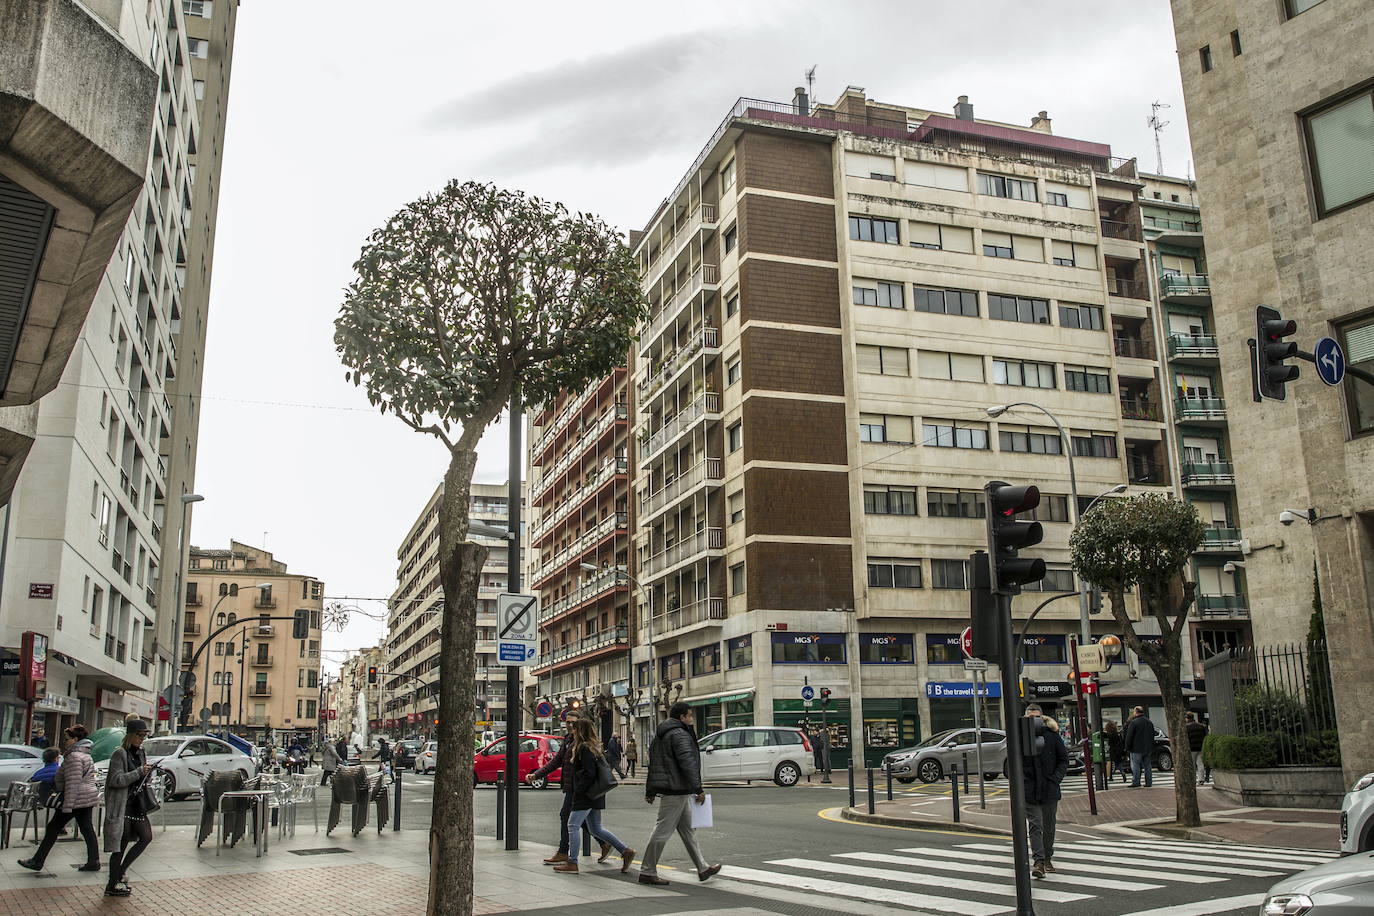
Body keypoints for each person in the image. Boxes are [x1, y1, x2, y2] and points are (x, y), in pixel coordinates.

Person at [639, 702, 721, 886]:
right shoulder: (680, 734)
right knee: (662, 830)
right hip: (676, 789)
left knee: (688, 831)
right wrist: (698, 788)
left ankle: (702, 867)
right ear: (682, 717)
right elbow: (688, 762)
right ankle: (647, 871)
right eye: (690, 715)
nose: (692, 719)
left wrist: (651, 789)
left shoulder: (662, 733)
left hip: (675, 788)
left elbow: (655, 764)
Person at [552, 718, 635, 875]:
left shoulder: (583, 748)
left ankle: (572, 862)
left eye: (575, 729)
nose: (573, 732)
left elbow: (588, 774)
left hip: (586, 794)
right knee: (595, 828)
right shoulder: (593, 747)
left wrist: (579, 791)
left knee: (573, 825)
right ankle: (625, 851)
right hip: (596, 793)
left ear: (580, 731)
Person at [18, 726, 101, 873]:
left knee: (53, 828)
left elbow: (72, 783)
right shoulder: (85, 755)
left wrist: (67, 806)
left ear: (75, 740)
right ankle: (93, 861)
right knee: (86, 828)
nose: (64, 742)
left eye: (67, 739)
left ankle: (37, 861)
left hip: (75, 799)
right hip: (85, 797)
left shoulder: (75, 757)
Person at [103, 718, 156, 897]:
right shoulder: (120, 754)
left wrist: (146, 774)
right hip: (123, 805)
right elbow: (115, 780)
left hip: (137, 804)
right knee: (121, 844)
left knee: (146, 837)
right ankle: (112, 884)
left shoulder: (141, 752)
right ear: (131, 735)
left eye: (144, 736)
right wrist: (139, 772)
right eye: (139, 735)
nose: (142, 739)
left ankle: (120, 872)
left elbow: (140, 777)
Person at [529, 711, 582, 866]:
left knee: (567, 817)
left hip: (578, 787)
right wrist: (536, 775)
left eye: (574, 723)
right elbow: (556, 762)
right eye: (568, 722)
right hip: (571, 786)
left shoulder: (581, 741)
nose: (570, 725)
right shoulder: (568, 740)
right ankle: (618, 848)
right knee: (587, 822)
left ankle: (565, 853)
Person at [1021, 705, 1068, 879]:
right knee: (1036, 825)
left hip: (1049, 789)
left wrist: (1055, 778)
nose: (1033, 721)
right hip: (1030, 790)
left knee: (1049, 828)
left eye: (1037, 717)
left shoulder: (1052, 736)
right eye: (1030, 717)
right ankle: (1039, 861)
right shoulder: (1020, 738)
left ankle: (1047, 857)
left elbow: (1063, 759)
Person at [1123, 706, 1156, 788]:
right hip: (1147, 748)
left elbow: (1129, 736)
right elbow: (1152, 735)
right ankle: (1148, 782)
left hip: (1136, 748)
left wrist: (1127, 747)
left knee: (1136, 765)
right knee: (1147, 766)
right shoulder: (1149, 722)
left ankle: (1136, 781)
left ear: (1136, 712)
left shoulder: (1134, 722)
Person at [1185, 712, 1210, 785]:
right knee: (1200, 764)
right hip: (1201, 747)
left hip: (1192, 748)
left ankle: (1193, 780)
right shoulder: (1201, 726)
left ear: (1188, 718)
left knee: (1192, 765)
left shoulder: (1186, 727)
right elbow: (1206, 736)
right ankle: (1201, 779)